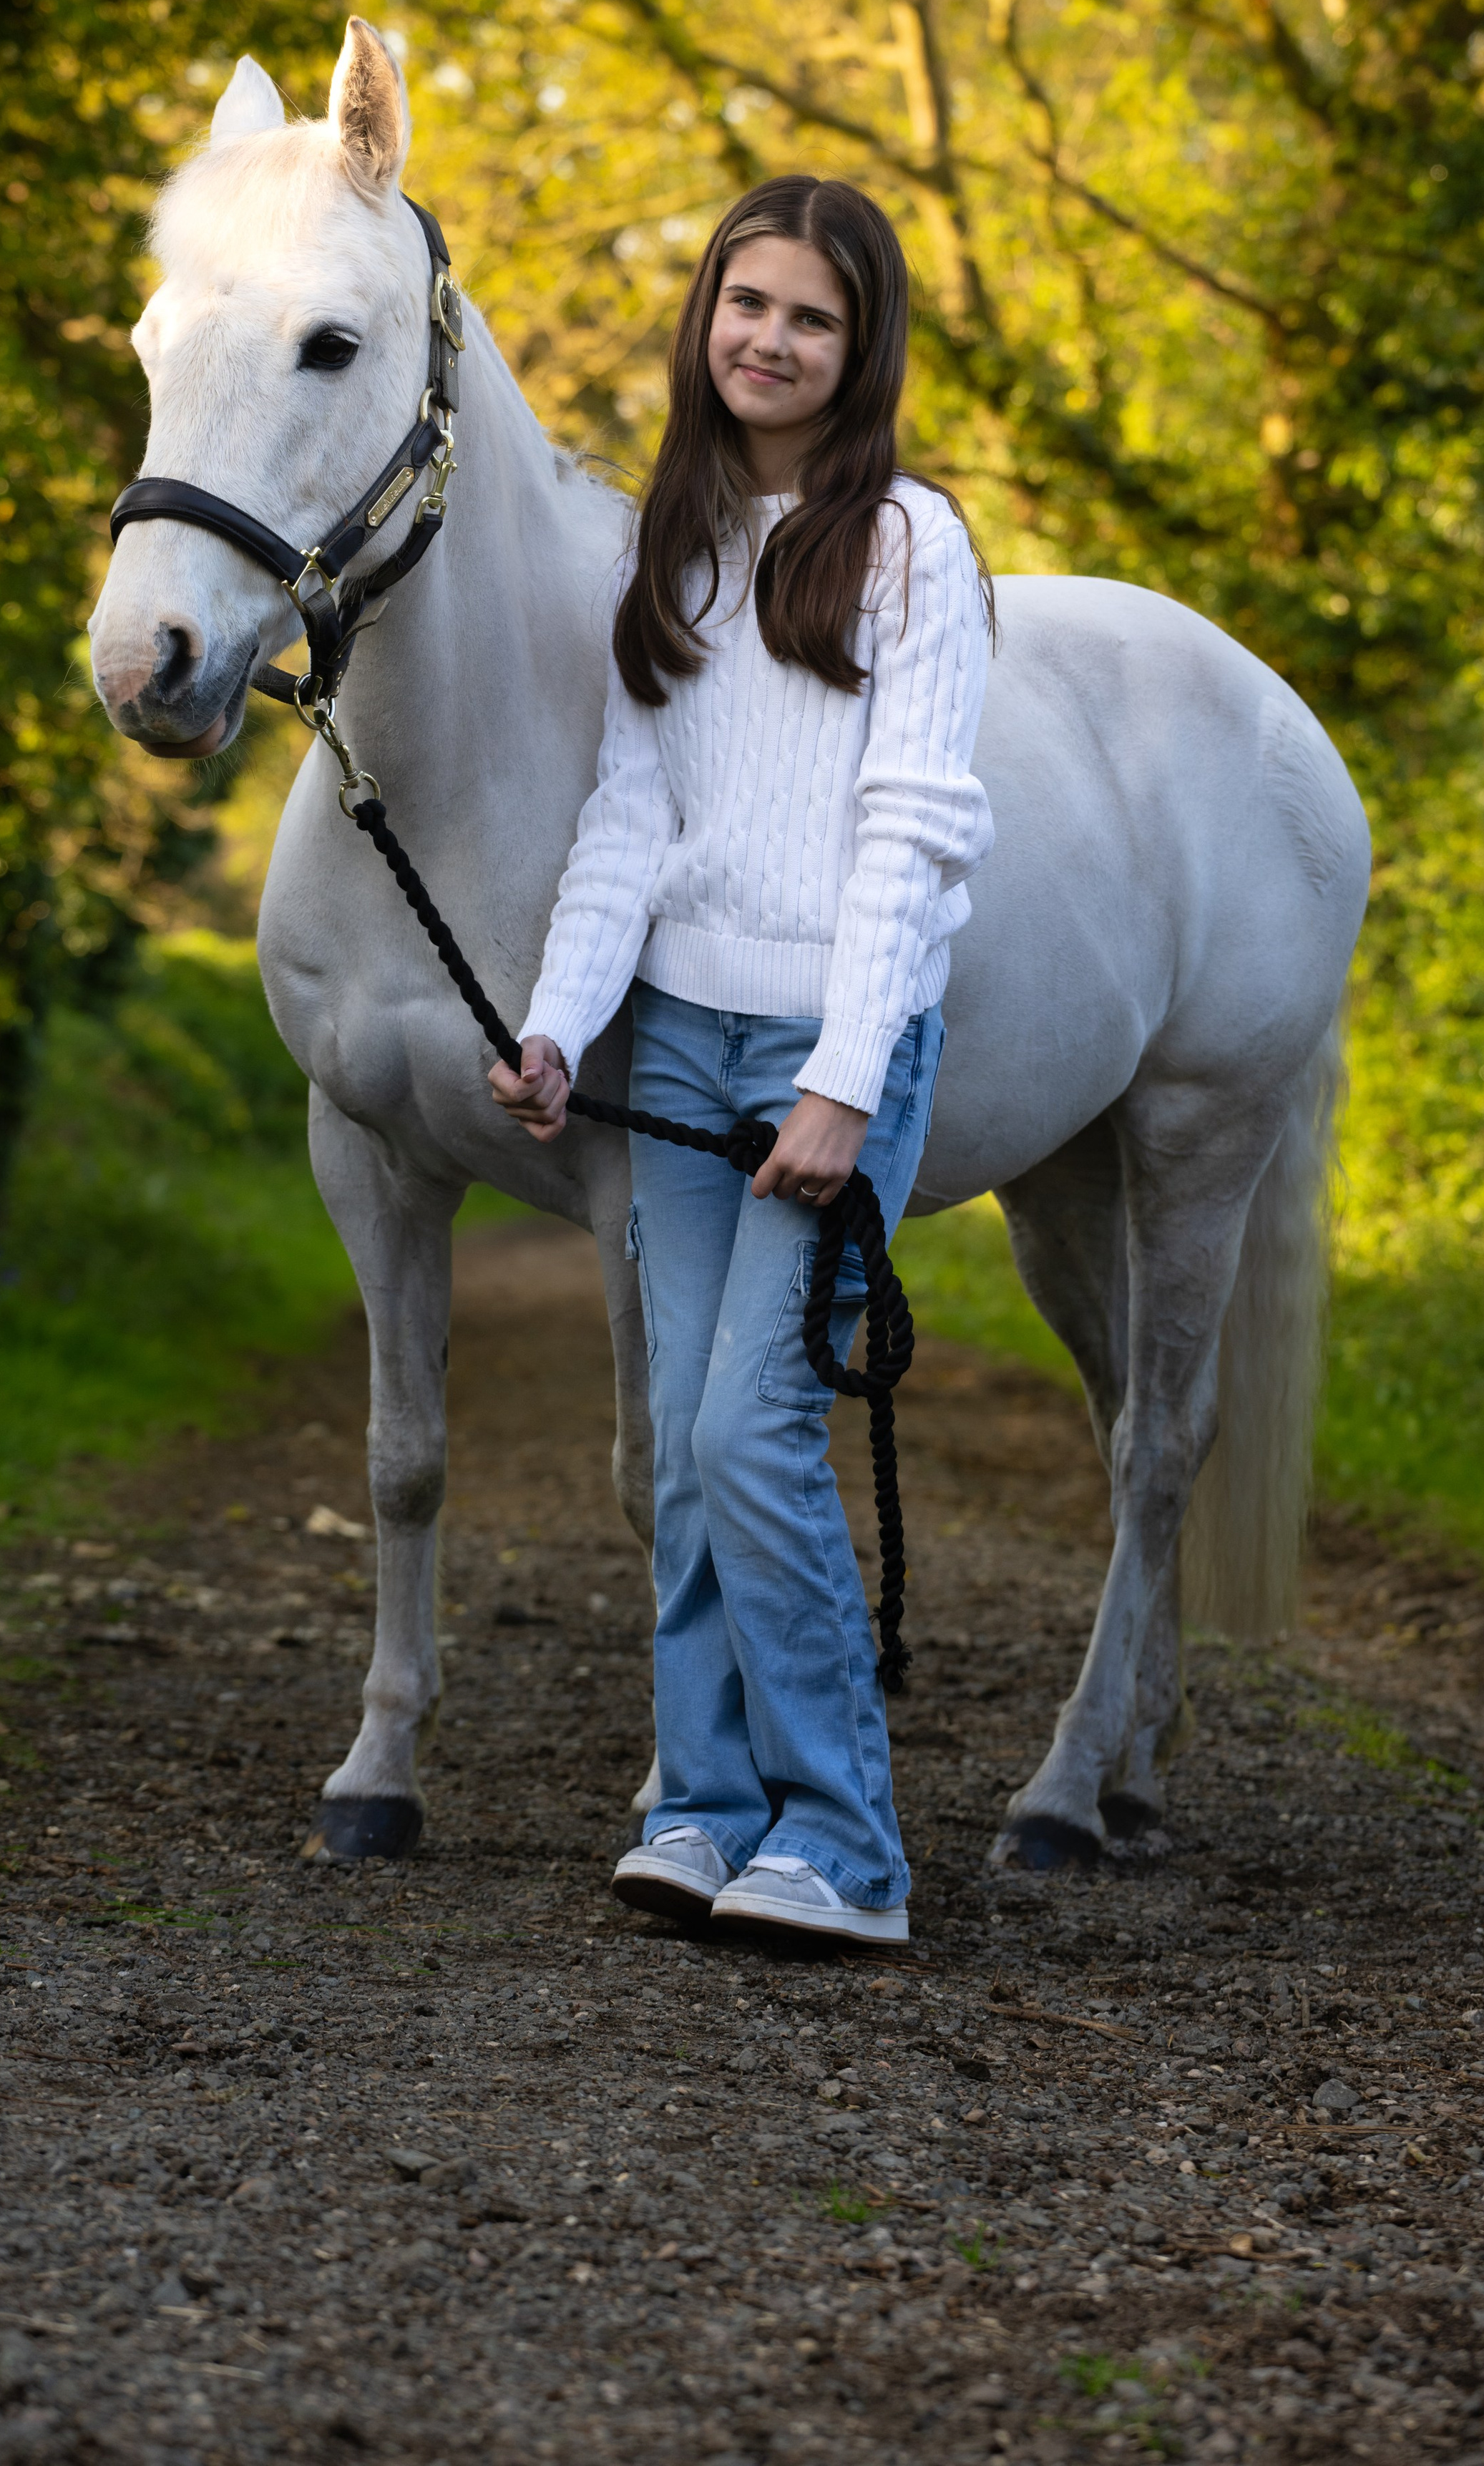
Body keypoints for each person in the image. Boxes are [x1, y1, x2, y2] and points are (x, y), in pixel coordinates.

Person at [489, 174, 995, 1946]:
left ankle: (845, 1847)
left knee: (750, 1427)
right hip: (680, 1039)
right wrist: (556, 1021)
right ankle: (703, 1806)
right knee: (683, 1440)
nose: (768, 339)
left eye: (810, 317)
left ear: (859, 352)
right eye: (745, 303)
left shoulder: (912, 545)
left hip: (824, 1046)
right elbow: (631, 817)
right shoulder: (674, 542)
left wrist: (845, 1081)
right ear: (704, 317)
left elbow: (912, 838)